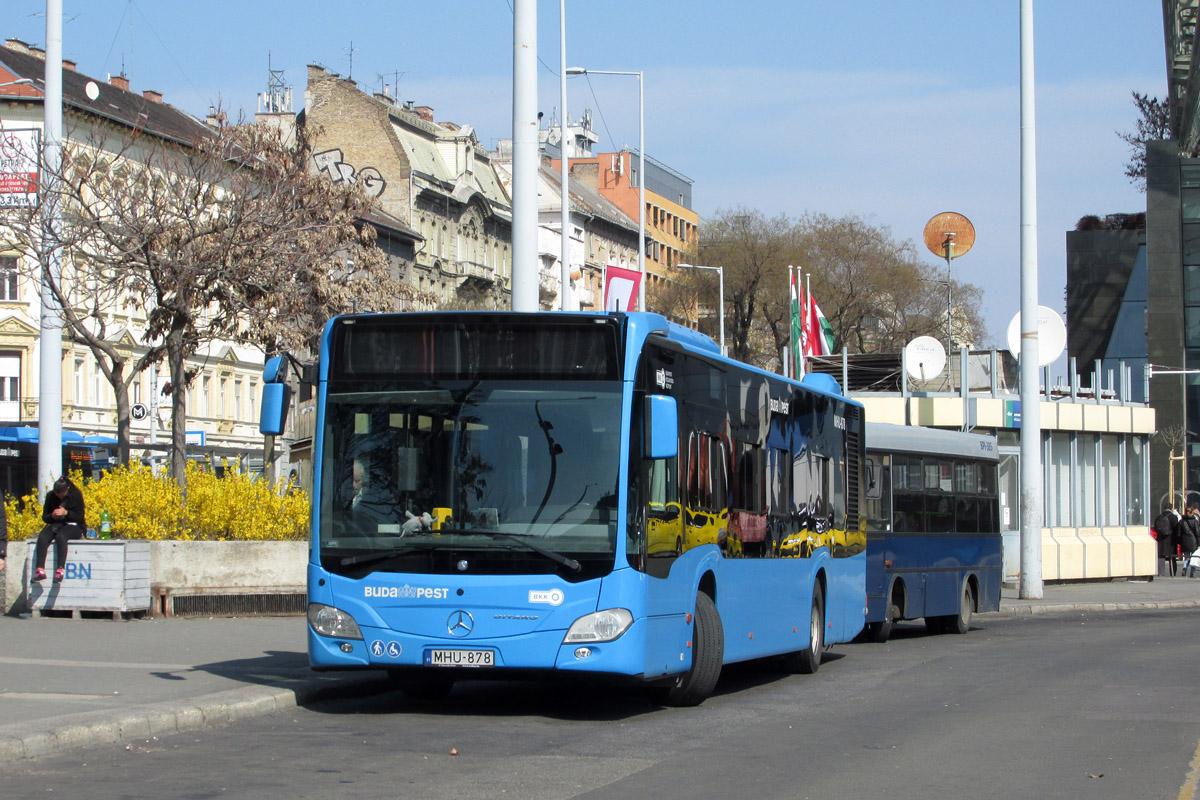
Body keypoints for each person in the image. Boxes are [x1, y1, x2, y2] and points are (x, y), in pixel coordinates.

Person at [31, 477, 86, 584]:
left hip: (73, 525)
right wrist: (52, 516)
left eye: (62, 494)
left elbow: (80, 518)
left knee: (61, 536)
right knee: (43, 536)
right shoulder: (51, 496)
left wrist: (66, 513)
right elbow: (45, 517)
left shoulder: (76, 495)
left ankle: (60, 569)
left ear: (67, 489)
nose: (59, 496)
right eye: (57, 494)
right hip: (56, 523)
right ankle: (40, 570)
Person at [1182, 505, 1200, 578]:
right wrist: (1199, 543)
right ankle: (1192, 573)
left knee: (1187, 557)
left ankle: (1184, 568)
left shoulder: (1182, 521)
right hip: (1193, 541)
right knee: (1194, 557)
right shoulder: (1195, 521)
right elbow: (1197, 533)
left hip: (1185, 541)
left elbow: (1178, 533)